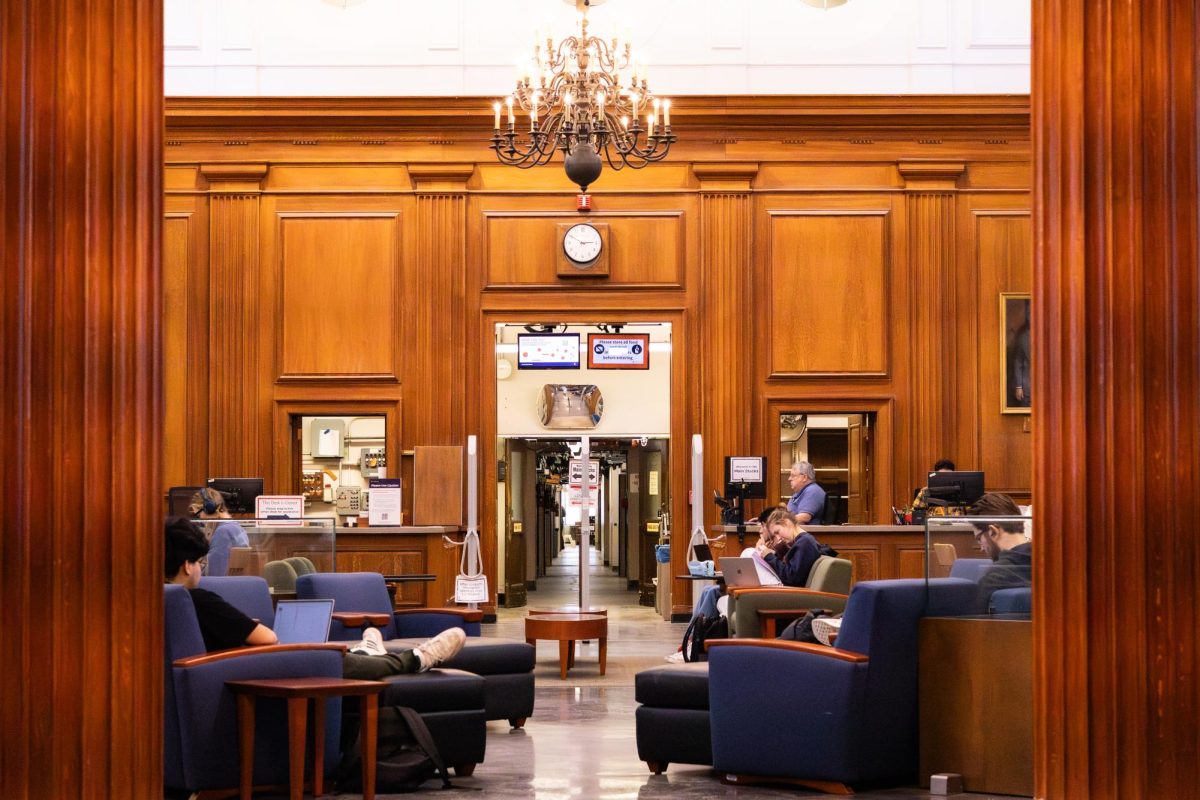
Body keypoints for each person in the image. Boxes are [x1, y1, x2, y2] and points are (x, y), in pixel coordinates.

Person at [165, 517, 464, 678]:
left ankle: (366, 650)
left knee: (333, 656)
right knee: (331, 661)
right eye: (200, 564)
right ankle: (415, 659)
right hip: (245, 671)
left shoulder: (157, 601)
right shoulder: (198, 600)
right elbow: (267, 639)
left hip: (218, 673)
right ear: (186, 565)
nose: (201, 570)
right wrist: (245, 628)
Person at [967, 493, 1032, 612]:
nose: (981, 548)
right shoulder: (1052, 565)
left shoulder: (993, 579)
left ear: (992, 531)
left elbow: (975, 627)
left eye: (979, 539)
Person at [189, 487, 249, 577]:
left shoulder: (223, 533)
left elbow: (214, 574)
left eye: (199, 513)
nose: (200, 518)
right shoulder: (236, 528)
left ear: (209, 509)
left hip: (217, 587)